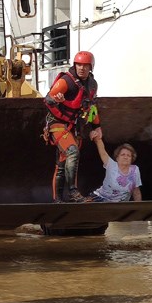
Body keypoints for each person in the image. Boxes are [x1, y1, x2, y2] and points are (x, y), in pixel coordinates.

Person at [43, 50, 102, 203]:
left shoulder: (92, 85)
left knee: (63, 162)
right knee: (72, 152)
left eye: (85, 65)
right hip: (57, 124)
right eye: (78, 65)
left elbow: (92, 108)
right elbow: (48, 99)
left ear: (91, 67)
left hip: (74, 127)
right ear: (74, 65)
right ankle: (73, 192)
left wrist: (97, 126)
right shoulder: (65, 81)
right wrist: (58, 100)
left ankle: (58, 200)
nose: (81, 68)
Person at [86, 132, 142, 202]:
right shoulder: (111, 165)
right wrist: (96, 137)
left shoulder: (135, 170)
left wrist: (138, 208)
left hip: (119, 205)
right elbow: (103, 152)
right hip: (100, 199)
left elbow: (136, 191)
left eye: (128, 155)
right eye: (123, 154)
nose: (125, 157)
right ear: (117, 158)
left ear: (132, 159)